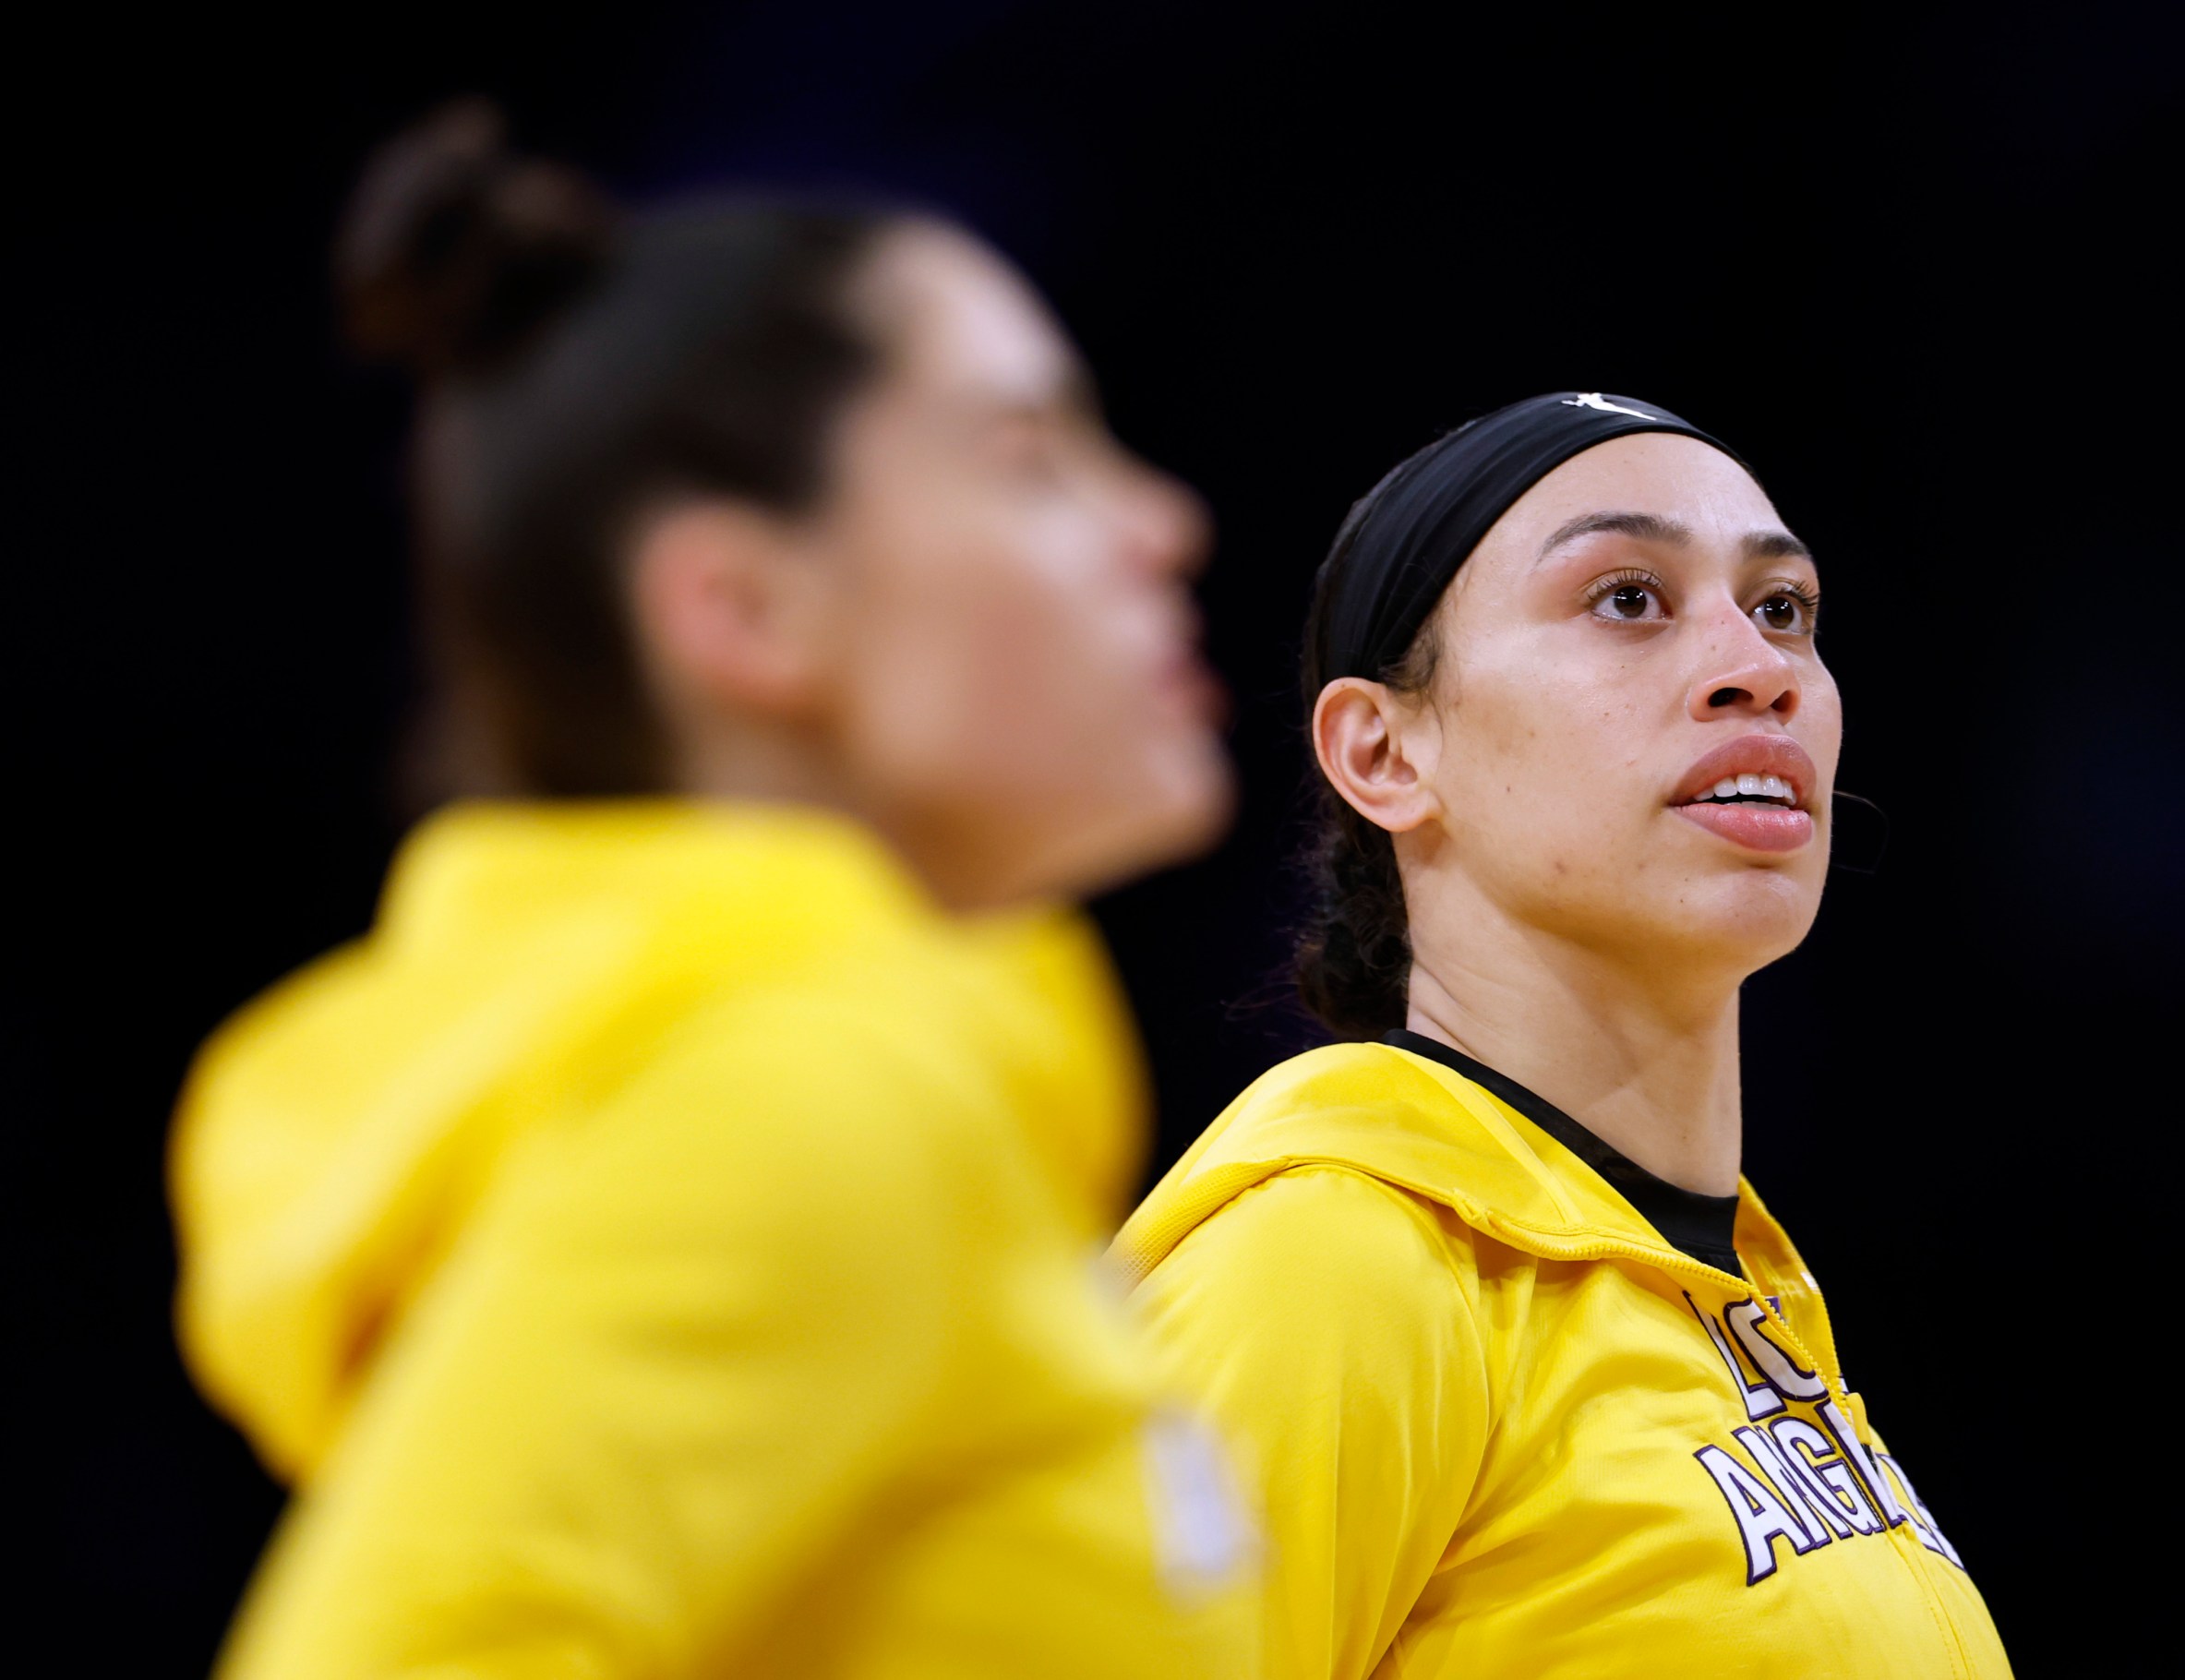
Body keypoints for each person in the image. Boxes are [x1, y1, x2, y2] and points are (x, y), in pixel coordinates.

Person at [171, 103, 1255, 1679]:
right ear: (743, 609)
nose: (1161, 524)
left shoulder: (853, 1080)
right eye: (1031, 462)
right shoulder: (809, 1088)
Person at [1113, 393, 2012, 1677]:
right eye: (1627, 599)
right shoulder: (1337, 1259)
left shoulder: (1730, 1294)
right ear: (1384, 752)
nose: (1758, 666)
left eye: (1783, 609)